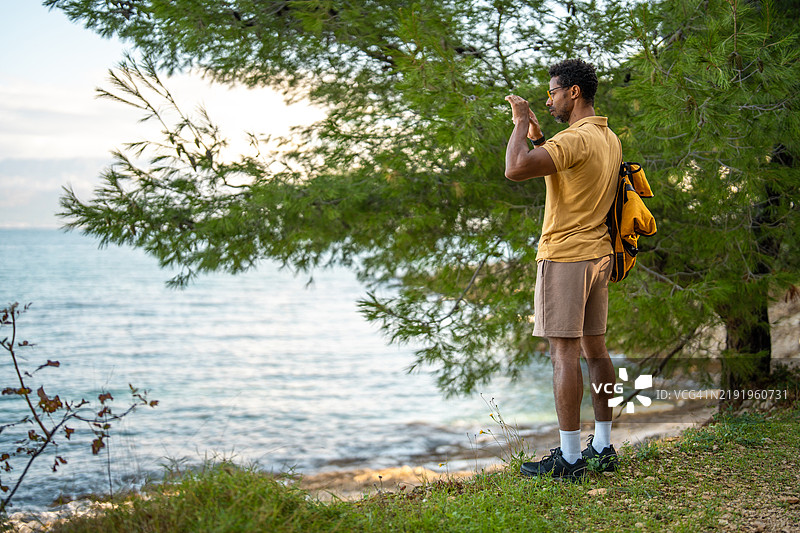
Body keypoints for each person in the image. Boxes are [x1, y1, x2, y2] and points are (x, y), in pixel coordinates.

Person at [504, 59, 621, 481]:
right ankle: (603, 446)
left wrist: (520, 124)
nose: (547, 99)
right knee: (597, 351)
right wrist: (539, 137)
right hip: (598, 255)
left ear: (573, 92)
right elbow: (569, 169)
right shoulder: (607, 137)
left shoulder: (575, 138)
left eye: (552, 91)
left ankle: (570, 458)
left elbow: (516, 168)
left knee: (563, 354)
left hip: (566, 256)